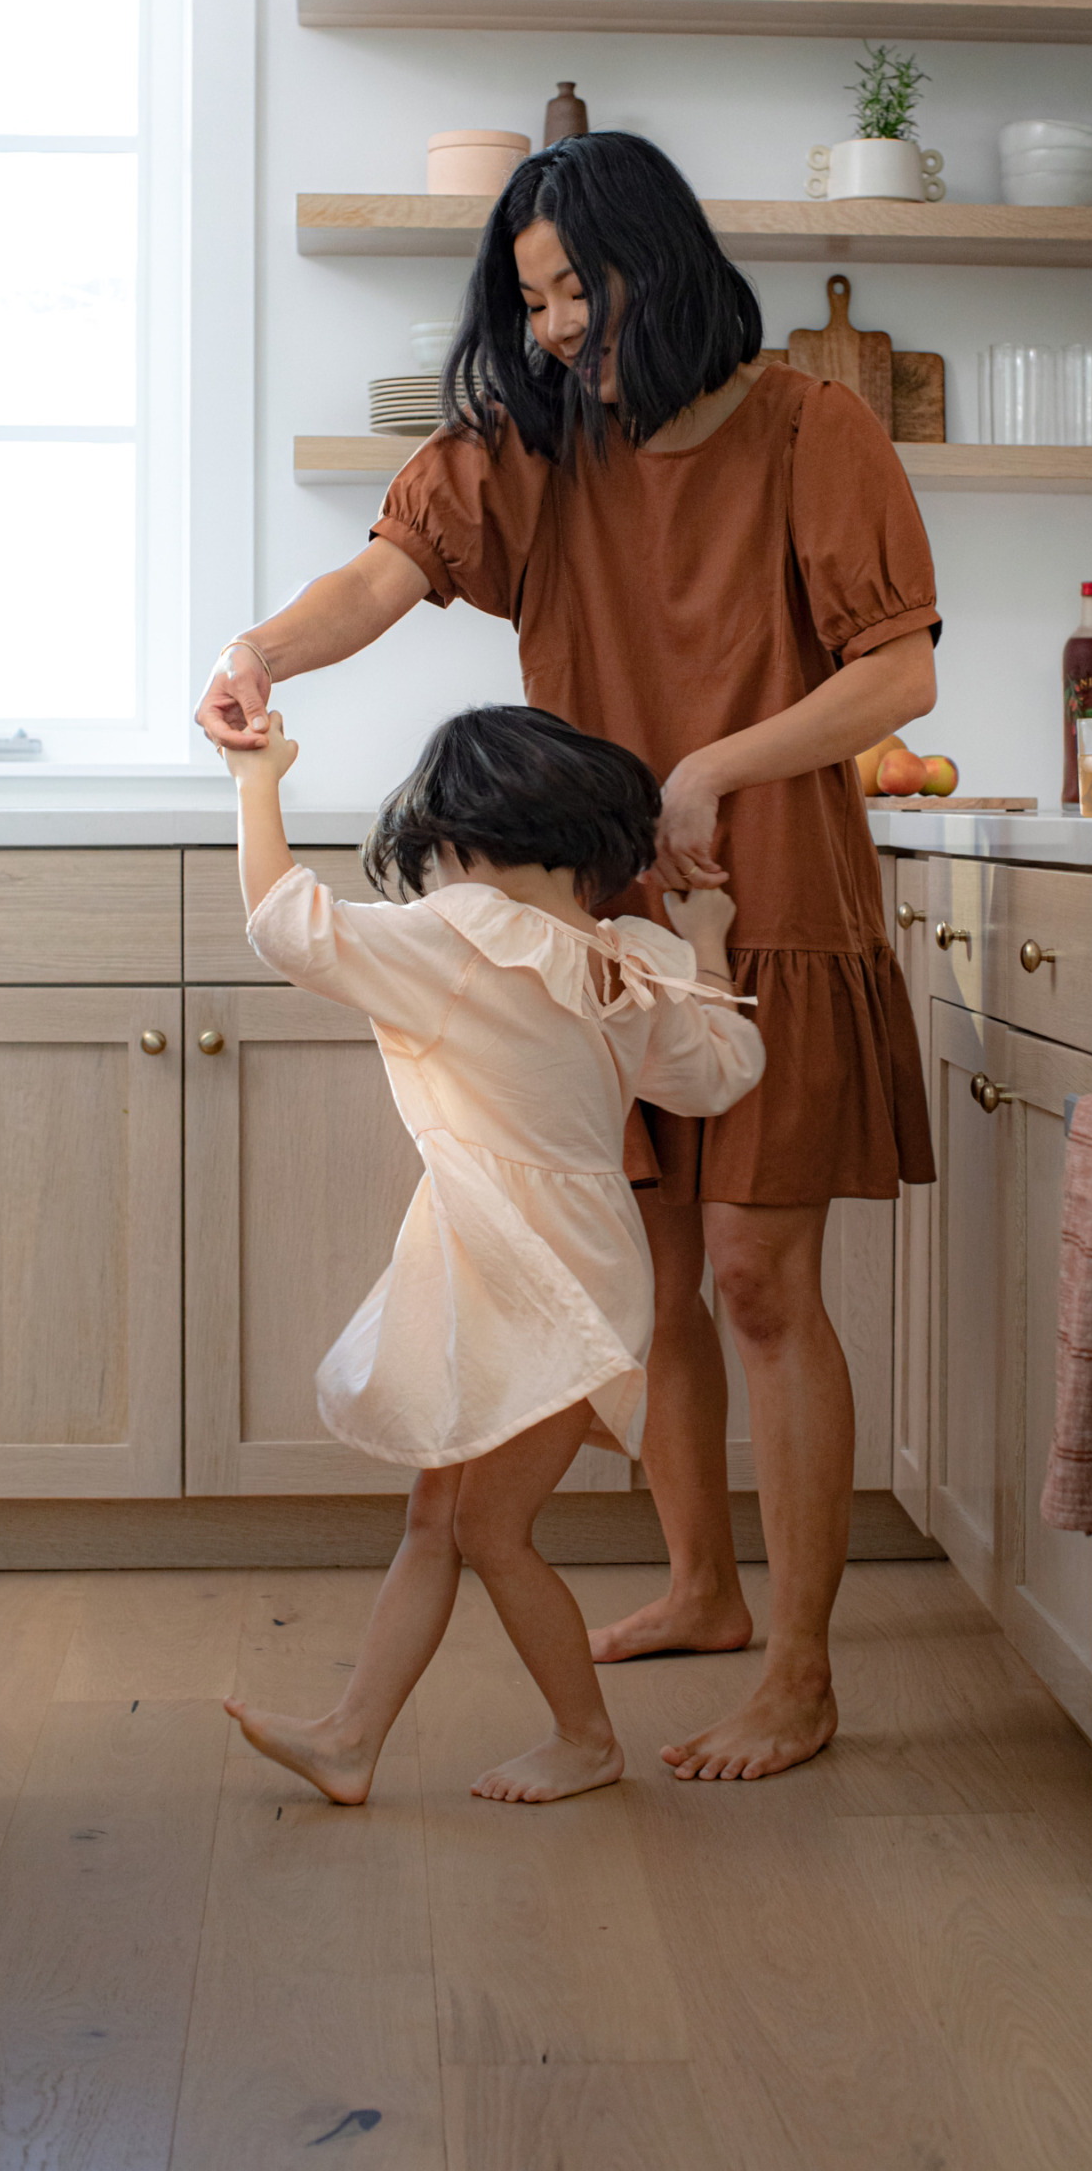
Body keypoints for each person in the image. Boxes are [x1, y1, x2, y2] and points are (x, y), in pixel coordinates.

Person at [198, 131, 938, 1782]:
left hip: (769, 907)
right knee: (647, 1282)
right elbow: (381, 577)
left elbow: (899, 677)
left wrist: (713, 771)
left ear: (652, 267)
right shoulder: (529, 451)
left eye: (570, 290)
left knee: (757, 1281)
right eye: (526, 299)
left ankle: (803, 1671)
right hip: (587, 928)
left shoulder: (813, 430)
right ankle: (700, 1589)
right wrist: (256, 648)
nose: (545, 327)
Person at [220, 701, 765, 1805]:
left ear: (461, 845)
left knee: (489, 1527)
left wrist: (257, 778)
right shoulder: (627, 959)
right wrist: (705, 942)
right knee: (444, 1516)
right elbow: (718, 1076)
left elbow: (285, 923)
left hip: (536, 1283)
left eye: (434, 854)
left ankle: (586, 1740)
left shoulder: (454, 938)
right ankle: (350, 1737)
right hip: (573, 1270)